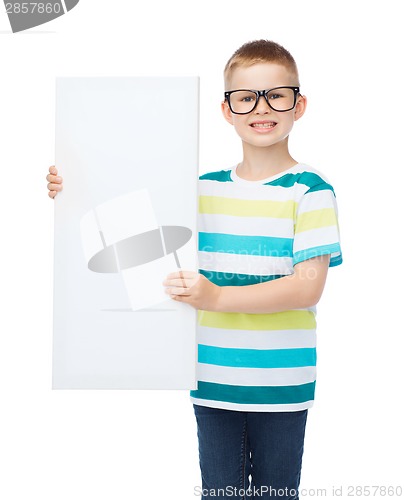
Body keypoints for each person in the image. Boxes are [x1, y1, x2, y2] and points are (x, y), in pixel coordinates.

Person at [47, 39, 342, 499]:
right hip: (210, 380)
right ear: (227, 110)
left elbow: (307, 288)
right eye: (246, 97)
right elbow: (123, 212)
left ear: (298, 105)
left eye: (276, 95)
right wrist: (73, 188)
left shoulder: (310, 191)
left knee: (277, 495)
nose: (261, 108)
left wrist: (219, 297)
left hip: (281, 384)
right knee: (218, 494)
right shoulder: (198, 189)